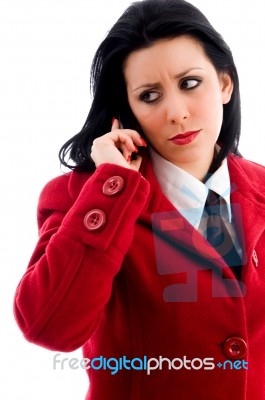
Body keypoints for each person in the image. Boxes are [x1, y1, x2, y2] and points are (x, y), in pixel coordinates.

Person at [14, 0, 265, 399]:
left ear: (225, 84)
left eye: (189, 83)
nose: (177, 113)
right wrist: (111, 190)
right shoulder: (81, 199)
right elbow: (49, 327)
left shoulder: (260, 190)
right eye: (150, 95)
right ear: (127, 110)